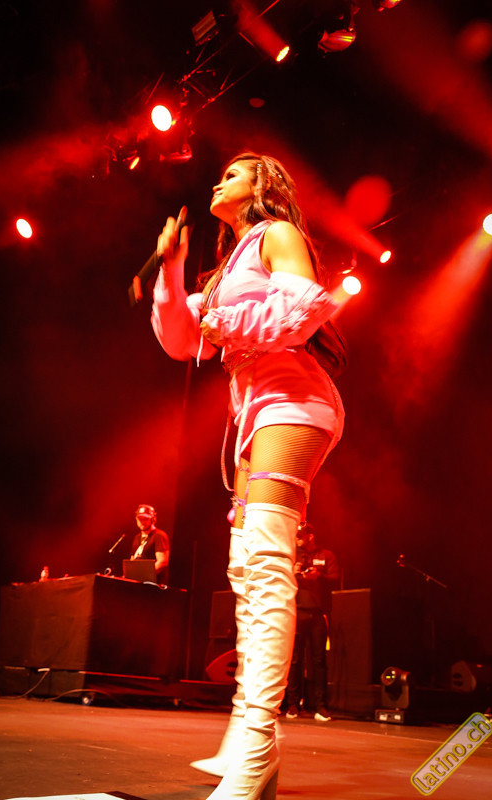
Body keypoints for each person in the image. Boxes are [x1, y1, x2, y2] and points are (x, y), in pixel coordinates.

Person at [151, 152, 346, 800]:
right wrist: (172, 270)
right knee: (244, 570)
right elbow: (182, 340)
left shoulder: (277, 235)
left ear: (263, 185)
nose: (218, 179)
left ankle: (257, 747)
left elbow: (302, 310)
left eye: (233, 173)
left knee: (263, 565)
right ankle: (244, 741)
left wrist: (218, 321)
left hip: (295, 402)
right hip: (255, 412)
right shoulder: (227, 269)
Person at [285, 521, 341, 723]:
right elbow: (279, 580)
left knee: (319, 660)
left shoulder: (326, 555)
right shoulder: (293, 556)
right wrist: (291, 573)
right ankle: (292, 704)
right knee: (295, 659)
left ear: (310, 536)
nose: (297, 539)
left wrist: (320, 576)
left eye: (300, 535)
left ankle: (321, 706)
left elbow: (336, 578)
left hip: (319, 613)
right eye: (296, 536)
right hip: (297, 611)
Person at [130, 503, 170, 584]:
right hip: (138, 583)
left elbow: (162, 562)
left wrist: (144, 576)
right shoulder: (137, 537)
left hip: (153, 585)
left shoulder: (159, 536)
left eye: (145, 519)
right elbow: (132, 560)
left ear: (153, 519)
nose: (142, 522)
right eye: (139, 519)